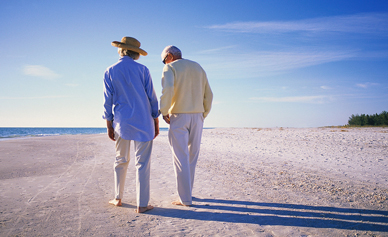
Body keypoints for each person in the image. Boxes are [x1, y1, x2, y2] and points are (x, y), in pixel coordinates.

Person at [103, 36, 159, 213]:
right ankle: (142, 204)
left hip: (122, 122)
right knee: (142, 163)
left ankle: (118, 198)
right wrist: (156, 120)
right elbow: (152, 98)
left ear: (121, 50)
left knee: (121, 160)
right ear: (136, 53)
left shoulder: (110, 70)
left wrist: (108, 124)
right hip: (144, 121)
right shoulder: (143, 70)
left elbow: (107, 101)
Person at [159, 45, 213, 206]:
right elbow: (209, 94)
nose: (164, 63)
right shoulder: (198, 67)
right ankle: (188, 193)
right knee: (192, 156)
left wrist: (164, 110)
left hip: (179, 115)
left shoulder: (170, 67)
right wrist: (203, 113)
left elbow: (168, 89)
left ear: (169, 56)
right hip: (198, 116)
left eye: (163, 60)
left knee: (180, 156)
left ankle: (185, 199)